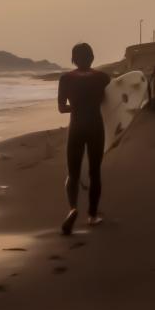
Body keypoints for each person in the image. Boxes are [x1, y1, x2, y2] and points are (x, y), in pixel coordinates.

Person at [57, 43, 110, 235]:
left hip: (77, 127)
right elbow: (110, 100)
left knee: (73, 173)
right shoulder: (102, 78)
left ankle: (73, 208)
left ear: (73, 59)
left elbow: (62, 108)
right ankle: (92, 216)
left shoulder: (65, 79)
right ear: (92, 57)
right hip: (95, 126)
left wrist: (76, 107)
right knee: (95, 173)